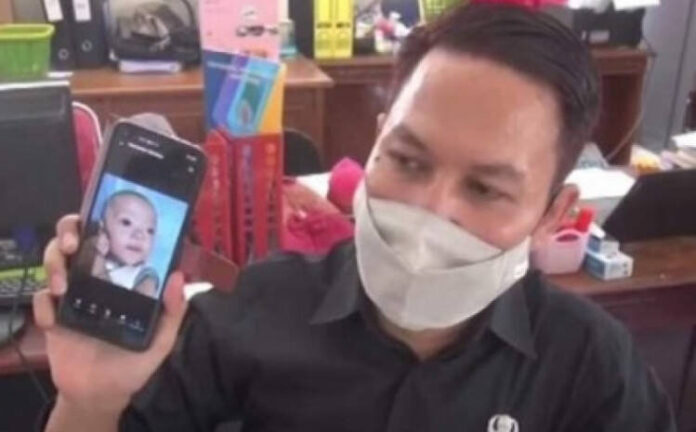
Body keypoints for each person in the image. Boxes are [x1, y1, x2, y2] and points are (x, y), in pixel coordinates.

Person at [36, 3, 675, 432]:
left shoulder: (591, 366)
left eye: (485, 189)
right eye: (408, 160)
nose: (429, 209)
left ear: (552, 215)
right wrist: (89, 401)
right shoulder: (252, 307)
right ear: (374, 143)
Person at [78, 191, 159, 298]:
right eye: (127, 223)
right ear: (103, 229)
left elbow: (138, 304)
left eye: (150, 231)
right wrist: (96, 253)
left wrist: (98, 260)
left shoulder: (146, 275)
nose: (139, 235)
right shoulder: (91, 252)